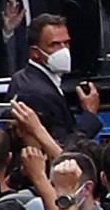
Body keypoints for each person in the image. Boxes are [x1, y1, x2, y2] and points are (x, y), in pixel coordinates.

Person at [6, 15, 102, 144]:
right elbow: (63, 149)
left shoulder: (25, 78)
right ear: (35, 52)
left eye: (66, 43)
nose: (63, 50)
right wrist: (90, 115)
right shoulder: (36, 94)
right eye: (55, 45)